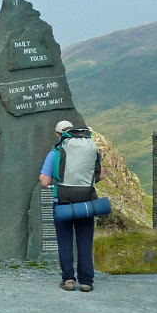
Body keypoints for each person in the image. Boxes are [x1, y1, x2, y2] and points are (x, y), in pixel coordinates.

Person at [39, 119, 104, 293]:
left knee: (65, 241)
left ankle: (68, 279)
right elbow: (101, 175)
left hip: (62, 202)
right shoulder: (91, 149)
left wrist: (57, 176)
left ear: (58, 134)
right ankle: (86, 281)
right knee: (85, 241)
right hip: (86, 201)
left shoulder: (56, 152)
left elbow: (44, 182)